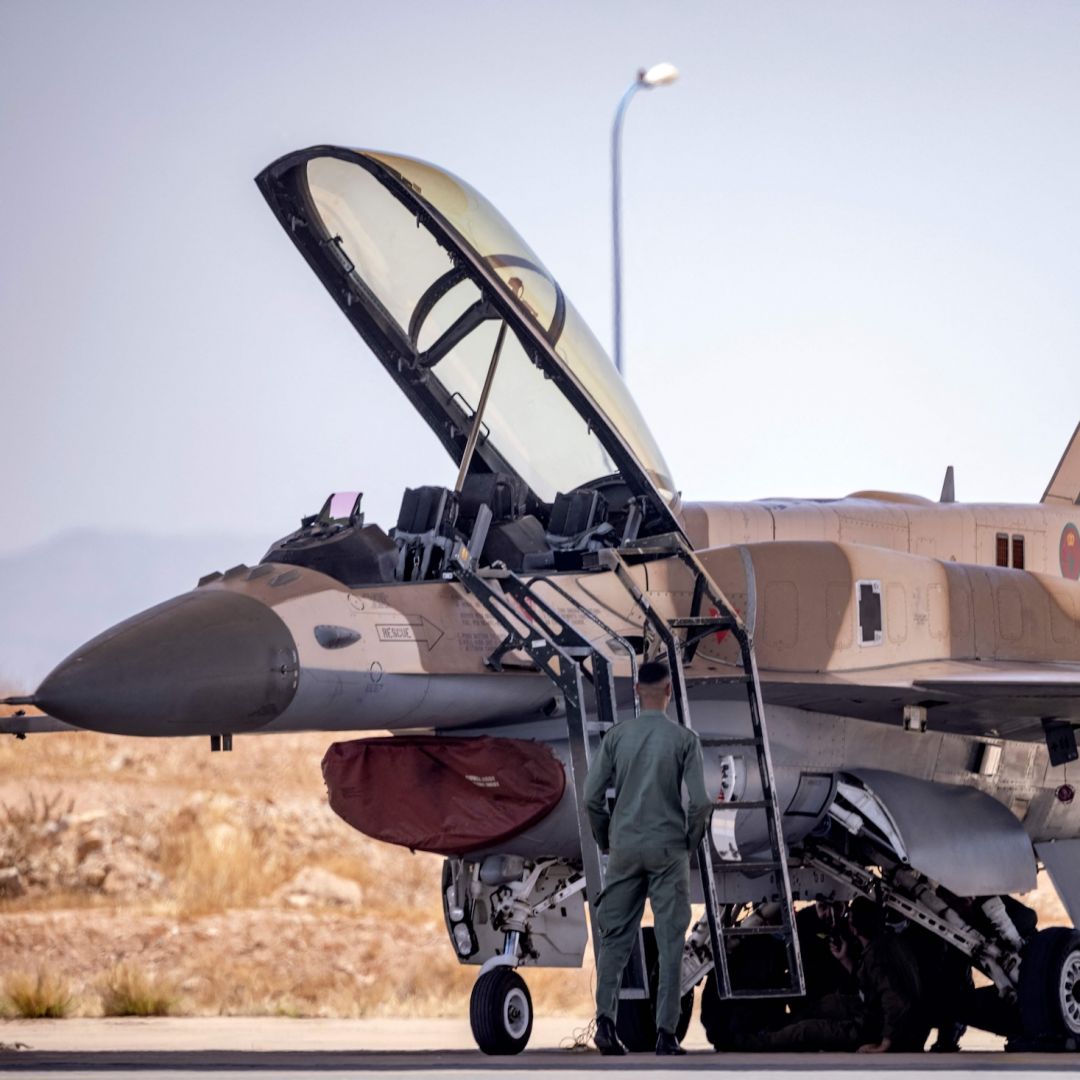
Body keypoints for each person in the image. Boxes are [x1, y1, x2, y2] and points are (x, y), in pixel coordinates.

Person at [583, 659, 712, 1056]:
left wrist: (607, 839)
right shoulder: (684, 740)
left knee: (615, 938)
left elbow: (590, 797)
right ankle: (665, 1035)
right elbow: (702, 803)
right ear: (669, 691)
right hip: (668, 848)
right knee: (671, 943)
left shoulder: (617, 737)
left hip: (624, 846)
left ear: (637, 691)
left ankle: (605, 1025)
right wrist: (688, 842)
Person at [740, 897, 927, 1053]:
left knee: (807, 1030)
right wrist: (845, 959)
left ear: (853, 928)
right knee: (829, 1003)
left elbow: (894, 1000)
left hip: (874, 1029)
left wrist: (884, 1045)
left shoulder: (877, 957)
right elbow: (873, 986)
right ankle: (776, 1030)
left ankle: (756, 1042)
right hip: (880, 1016)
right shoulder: (887, 944)